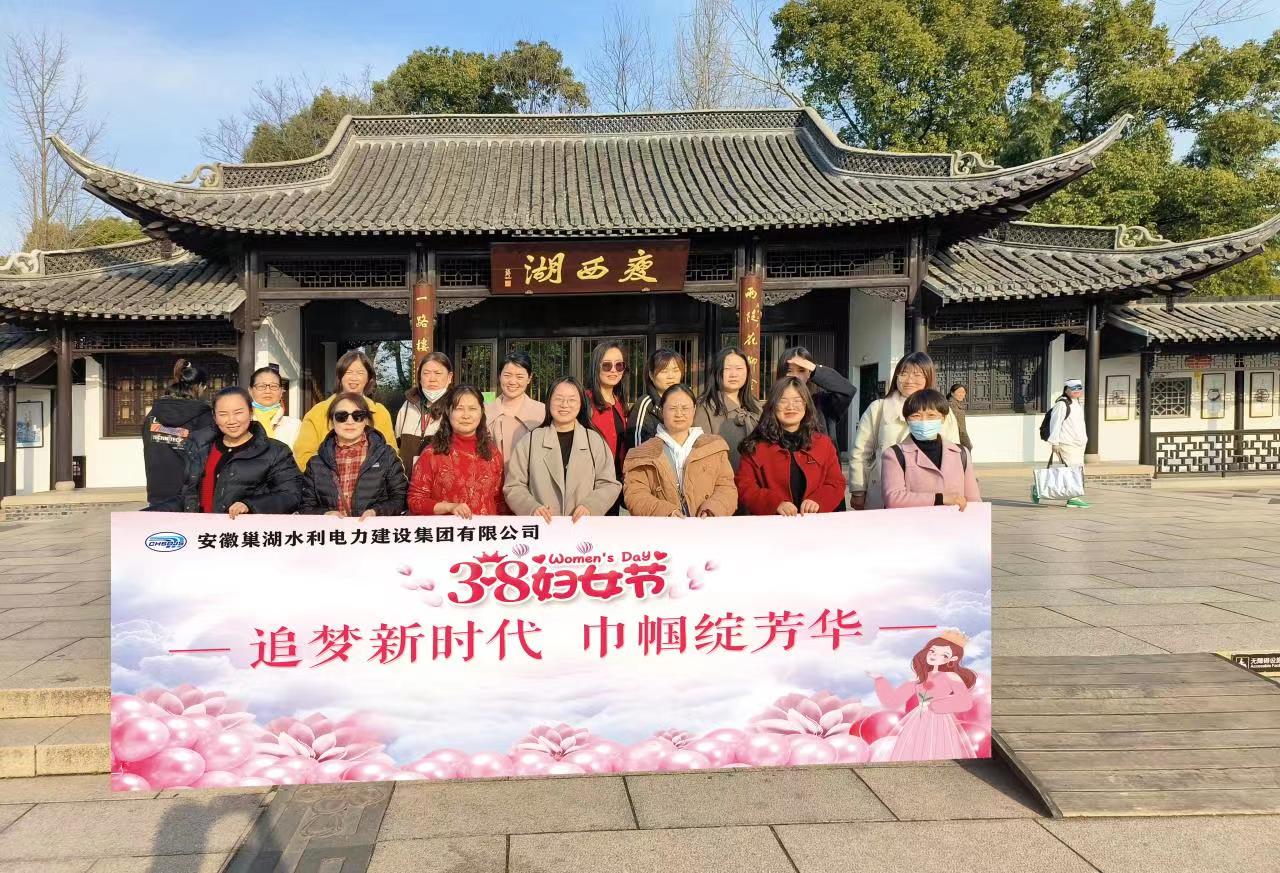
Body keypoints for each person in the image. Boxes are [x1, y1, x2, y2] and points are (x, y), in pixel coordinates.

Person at [849, 352, 960, 510]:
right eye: (903, 373)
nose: (909, 380)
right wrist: (858, 490)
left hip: (931, 495)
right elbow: (861, 453)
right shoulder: (878, 408)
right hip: (884, 493)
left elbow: (953, 454)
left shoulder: (943, 412)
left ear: (928, 377)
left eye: (917, 375)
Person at [504, 377, 620, 522]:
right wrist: (532, 508)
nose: (564, 405)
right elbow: (514, 486)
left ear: (581, 404)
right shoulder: (530, 441)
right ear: (549, 402)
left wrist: (591, 506)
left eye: (572, 400)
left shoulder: (594, 441)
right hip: (543, 527)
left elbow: (609, 484)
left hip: (583, 528)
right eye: (558, 399)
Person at [178, 387, 302, 517]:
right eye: (223, 414)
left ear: (251, 412)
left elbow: (291, 495)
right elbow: (185, 493)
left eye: (238, 413)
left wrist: (250, 505)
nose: (231, 420)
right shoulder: (199, 447)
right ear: (214, 417)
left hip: (246, 528)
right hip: (199, 527)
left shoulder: (276, 452)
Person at [735, 377, 846, 516]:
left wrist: (818, 501)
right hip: (771, 523)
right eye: (783, 400)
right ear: (773, 405)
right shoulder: (755, 446)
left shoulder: (823, 444)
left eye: (797, 400)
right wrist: (774, 503)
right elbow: (745, 486)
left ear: (806, 405)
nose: (790, 407)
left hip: (815, 522)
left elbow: (836, 483)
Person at [624, 384, 738, 518]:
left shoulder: (713, 447)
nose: (679, 414)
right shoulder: (643, 453)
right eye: (672, 408)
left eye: (685, 408)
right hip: (663, 526)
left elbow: (726, 487)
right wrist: (666, 512)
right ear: (662, 410)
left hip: (706, 526)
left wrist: (712, 509)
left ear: (694, 410)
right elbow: (635, 494)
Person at [869, 631, 978, 761]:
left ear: (952, 659)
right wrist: (879, 680)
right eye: (932, 651)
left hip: (940, 719)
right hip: (918, 719)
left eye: (944, 655)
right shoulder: (919, 678)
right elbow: (893, 701)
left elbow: (965, 702)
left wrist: (935, 705)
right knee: (914, 748)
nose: (934, 656)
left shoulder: (951, 676)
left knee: (938, 747)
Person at [300, 392, 407, 518]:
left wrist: (377, 512)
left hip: (373, 529)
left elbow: (400, 498)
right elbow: (306, 506)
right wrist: (325, 514)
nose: (350, 422)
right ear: (332, 421)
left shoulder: (386, 456)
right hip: (332, 530)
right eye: (341, 416)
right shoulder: (316, 463)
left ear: (366, 420)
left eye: (358, 416)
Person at [408, 386, 508, 518]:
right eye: (459, 409)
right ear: (448, 412)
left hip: (485, 529)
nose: (466, 415)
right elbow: (415, 501)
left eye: (472, 409)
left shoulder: (492, 454)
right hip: (447, 529)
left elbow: (501, 502)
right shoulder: (432, 454)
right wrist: (450, 507)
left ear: (481, 412)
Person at [294, 350, 397, 471]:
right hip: (327, 480)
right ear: (340, 376)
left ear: (368, 378)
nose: (354, 378)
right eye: (348, 372)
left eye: (360, 373)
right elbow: (303, 455)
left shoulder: (379, 412)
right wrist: (332, 475)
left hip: (373, 480)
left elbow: (392, 453)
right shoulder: (318, 412)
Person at [881, 389, 981, 510]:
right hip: (913, 521)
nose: (924, 421)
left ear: (943, 418)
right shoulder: (894, 454)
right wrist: (940, 499)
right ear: (907, 420)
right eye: (916, 416)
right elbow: (893, 499)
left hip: (953, 521)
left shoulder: (961, 453)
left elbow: (974, 500)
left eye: (931, 415)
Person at [142, 358, 212, 511]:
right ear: (200, 386)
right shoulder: (204, 416)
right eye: (204, 387)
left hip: (157, 493)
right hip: (191, 496)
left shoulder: (153, 414)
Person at [694, 346, 761, 470]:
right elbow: (701, 452)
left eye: (739, 368)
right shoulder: (704, 406)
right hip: (722, 478)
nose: (733, 374)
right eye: (727, 369)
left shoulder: (756, 406)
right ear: (717, 372)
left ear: (747, 372)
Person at [585, 341, 630, 514]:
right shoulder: (584, 401)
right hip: (590, 486)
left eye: (619, 365)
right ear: (596, 366)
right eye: (606, 365)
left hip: (614, 484)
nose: (613, 370)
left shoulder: (620, 403)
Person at [776, 347, 856, 444]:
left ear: (810, 374)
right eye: (789, 371)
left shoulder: (822, 403)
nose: (795, 376)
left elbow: (847, 390)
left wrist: (816, 370)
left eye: (801, 370)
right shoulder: (773, 404)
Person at [395, 352, 454, 470]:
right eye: (426, 373)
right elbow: (397, 444)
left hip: (442, 478)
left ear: (449, 377)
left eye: (438, 373)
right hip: (408, 478)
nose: (432, 379)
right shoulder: (407, 405)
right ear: (420, 378)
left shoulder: (456, 407)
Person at [1038, 378, 1090, 508]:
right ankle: (1073, 498)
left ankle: (1038, 489)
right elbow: (1055, 424)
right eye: (1073, 389)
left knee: (1076, 470)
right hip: (1066, 443)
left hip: (1078, 444)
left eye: (1079, 388)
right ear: (1066, 390)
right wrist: (1055, 443)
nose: (1077, 391)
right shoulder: (1062, 404)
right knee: (1072, 470)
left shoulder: (1077, 403)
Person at [485, 350, 546, 463]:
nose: (512, 382)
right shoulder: (484, 413)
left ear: (529, 378)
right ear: (499, 376)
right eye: (507, 375)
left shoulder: (542, 412)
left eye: (519, 377)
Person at [626, 349, 684, 449]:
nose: (671, 376)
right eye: (664, 371)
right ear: (651, 375)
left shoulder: (685, 402)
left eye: (675, 370)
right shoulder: (645, 404)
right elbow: (637, 448)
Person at [249, 364, 302, 448]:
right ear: (250, 391)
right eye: (261, 386)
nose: (267, 391)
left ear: (281, 391)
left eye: (274, 386)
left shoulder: (295, 425)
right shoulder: (243, 423)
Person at [947, 384, 972, 451]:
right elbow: (957, 424)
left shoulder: (957, 403)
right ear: (952, 393)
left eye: (963, 392)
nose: (961, 394)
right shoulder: (952, 405)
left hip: (959, 434)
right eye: (959, 392)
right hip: (956, 435)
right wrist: (965, 439)